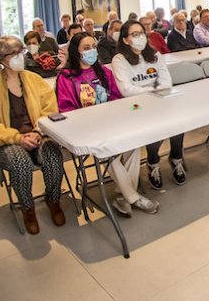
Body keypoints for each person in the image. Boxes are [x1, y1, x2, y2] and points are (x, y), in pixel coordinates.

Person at [56, 32, 159, 216]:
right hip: (86, 129)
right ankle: (133, 197)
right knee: (107, 150)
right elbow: (66, 109)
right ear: (76, 52)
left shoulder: (104, 71)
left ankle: (124, 196)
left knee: (133, 142)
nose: (92, 51)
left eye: (93, 47)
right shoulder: (66, 77)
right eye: (86, 48)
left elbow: (116, 98)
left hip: (111, 122)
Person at [0, 35, 65, 235]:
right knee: (20, 162)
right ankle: (28, 209)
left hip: (38, 134)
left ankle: (53, 200)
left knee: (52, 154)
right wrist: (18, 138)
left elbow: (50, 109)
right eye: (14, 54)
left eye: (21, 52)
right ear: (2, 59)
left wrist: (37, 131)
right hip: (8, 142)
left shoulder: (35, 80)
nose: (20, 57)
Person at [111, 20, 187, 189]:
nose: (140, 37)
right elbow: (126, 89)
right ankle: (153, 162)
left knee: (178, 121)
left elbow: (166, 82)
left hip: (159, 99)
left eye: (141, 33)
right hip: (136, 106)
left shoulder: (154, 55)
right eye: (134, 34)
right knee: (153, 127)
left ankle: (176, 158)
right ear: (125, 40)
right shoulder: (120, 60)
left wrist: (153, 91)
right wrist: (152, 91)